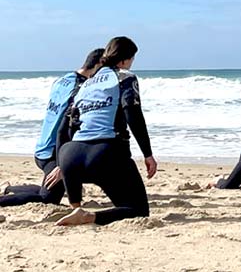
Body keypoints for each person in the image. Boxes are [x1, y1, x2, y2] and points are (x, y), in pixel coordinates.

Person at [55, 36, 158, 227]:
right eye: (132, 59)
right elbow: (133, 115)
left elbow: (65, 128)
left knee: (120, 198)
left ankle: (75, 207)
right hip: (105, 153)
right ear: (124, 60)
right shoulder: (124, 77)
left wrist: (62, 163)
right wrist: (148, 154)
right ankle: (87, 217)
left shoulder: (84, 84)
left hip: (71, 155)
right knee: (139, 210)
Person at [0, 48, 104, 208]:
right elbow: (65, 130)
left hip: (42, 147)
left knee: (50, 187)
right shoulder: (80, 90)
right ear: (99, 65)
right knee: (47, 199)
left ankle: (8, 188)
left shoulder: (63, 80)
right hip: (53, 153)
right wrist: (63, 164)